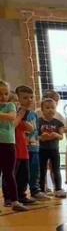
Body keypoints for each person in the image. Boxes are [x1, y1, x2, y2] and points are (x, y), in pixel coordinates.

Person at [15, 86, 45, 199]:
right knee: (23, 173)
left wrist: (41, 137)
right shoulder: (18, 114)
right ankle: (20, 194)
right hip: (23, 148)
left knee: (34, 170)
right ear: (18, 99)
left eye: (31, 97)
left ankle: (35, 190)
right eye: (25, 98)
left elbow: (35, 131)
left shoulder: (34, 114)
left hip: (34, 146)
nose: (29, 100)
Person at [36, 97, 66, 198]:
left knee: (56, 169)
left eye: (52, 108)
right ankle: (41, 189)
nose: (50, 110)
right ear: (42, 109)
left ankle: (58, 189)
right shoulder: (38, 121)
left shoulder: (58, 122)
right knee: (42, 170)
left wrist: (56, 135)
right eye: (47, 108)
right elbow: (35, 136)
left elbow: (61, 137)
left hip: (54, 149)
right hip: (42, 149)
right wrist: (42, 137)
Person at [0, 81, 21, 212]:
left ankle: (15, 201)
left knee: (9, 173)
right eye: (0, 94)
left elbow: (12, 117)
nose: (3, 97)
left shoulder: (10, 105)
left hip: (8, 143)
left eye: (6, 94)